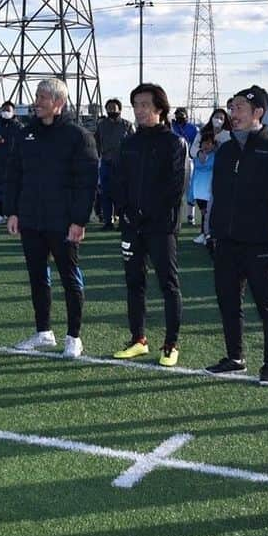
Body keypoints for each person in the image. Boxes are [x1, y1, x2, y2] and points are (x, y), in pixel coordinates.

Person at [203, 85, 268, 386]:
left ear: (258, 112)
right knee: (228, 302)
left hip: (260, 242)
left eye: (240, 108)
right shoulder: (225, 149)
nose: (234, 113)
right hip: (226, 241)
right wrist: (209, 231)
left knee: (267, 306)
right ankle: (235, 357)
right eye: (232, 108)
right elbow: (215, 195)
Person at [6, 78, 99, 358]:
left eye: (43, 97)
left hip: (63, 222)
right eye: (36, 96)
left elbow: (87, 183)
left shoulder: (78, 136)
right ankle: (43, 332)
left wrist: (79, 220)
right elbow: (15, 175)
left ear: (58, 102)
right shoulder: (25, 135)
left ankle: (74, 337)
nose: (37, 102)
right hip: (31, 220)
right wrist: (12, 211)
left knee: (69, 278)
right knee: (37, 277)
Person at [111, 83, 186, 366]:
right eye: (136, 105)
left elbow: (174, 188)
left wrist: (149, 215)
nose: (139, 110)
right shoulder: (129, 143)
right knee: (134, 282)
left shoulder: (174, 143)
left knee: (168, 284)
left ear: (160, 108)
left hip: (161, 227)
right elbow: (118, 181)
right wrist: (126, 212)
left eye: (144, 105)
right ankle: (138, 339)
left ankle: (171, 344)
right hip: (132, 226)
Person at [94, 98, 134, 230]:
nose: (111, 110)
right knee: (105, 194)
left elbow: (134, 144)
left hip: (122, 165)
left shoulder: (127, 125)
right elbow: (97, 143)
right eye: (109, 108)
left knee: (122, 194)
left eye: (114, 108)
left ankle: (123, 221)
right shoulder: (101, 125)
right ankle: (108, 221)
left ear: (120, 110)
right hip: (106, 163)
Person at [0, 101, 23, 226]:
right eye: (4, 110)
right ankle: (0, 214)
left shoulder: (19, 127)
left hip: (14, 163)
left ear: (13, 112)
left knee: (15, 190)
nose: (6, 112)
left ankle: (15, 215)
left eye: (8, 110)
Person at [188, 132, 216, 245]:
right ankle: (205, 234)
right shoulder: (196, 158)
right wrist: (191, 194)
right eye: (205, 143)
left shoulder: (216, 156)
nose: (207, 145)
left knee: (208, 214)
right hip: (199, 192)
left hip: (210, 192)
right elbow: (194, 174)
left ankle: (206, 234)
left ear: (214, 145)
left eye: (210, 143)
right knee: (204, 213)